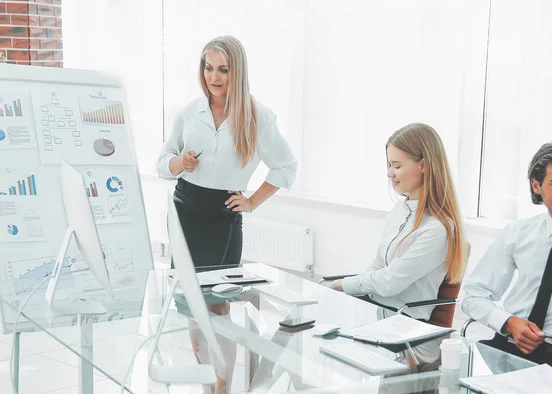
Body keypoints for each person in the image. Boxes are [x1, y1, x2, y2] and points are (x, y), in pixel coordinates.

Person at [157, 35, 297, 393]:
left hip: (223, 221)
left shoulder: (258, 117)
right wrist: (180, 162)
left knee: (218, 309)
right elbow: (162, 163)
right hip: (184, 214)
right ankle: (207, 386)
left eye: (223, 69)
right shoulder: (189, 112)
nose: (214, 77)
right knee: (192, 308)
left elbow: (285, 167)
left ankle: (222, 389)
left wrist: (251, 202)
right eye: (208, 67)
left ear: (238, 73)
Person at [330, 123, 467, 322]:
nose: (389, 173)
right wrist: (351, 290)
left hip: (405, 322)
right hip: (376, 311)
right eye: (389, 165)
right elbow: (378, 264)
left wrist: (342, 284)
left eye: (397, 166)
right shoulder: (399, 210)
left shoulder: (438, 229)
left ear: (423, 165)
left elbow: (390, 283)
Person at [462, 143, 552, 365]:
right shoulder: (518, 233)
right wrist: (509, 322)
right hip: (510, 345)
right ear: (536, 185)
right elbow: (473, 297)